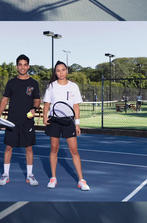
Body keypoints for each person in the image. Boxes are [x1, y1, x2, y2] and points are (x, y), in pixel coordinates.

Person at [42, 61, 90, 191]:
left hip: (69, 121)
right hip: (55, 121)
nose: (61, 72)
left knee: (74, 151)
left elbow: (76, 106)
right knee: (53, 149)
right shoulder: (51, 86)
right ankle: (53, 178)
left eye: (63, 70)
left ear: (67, 71)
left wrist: (77, 124)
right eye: (58, 70)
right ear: (55, 72)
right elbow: (46, 103)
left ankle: (81, 180)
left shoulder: (73, 86)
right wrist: (45, 116)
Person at [0, 54, 41, 186]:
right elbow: (4, 100)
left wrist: (34, 109)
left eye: (25, 64)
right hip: (12, 121)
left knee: (29, 148)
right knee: (9, 147)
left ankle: (30, 175)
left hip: (27, 121)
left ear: (28, 66)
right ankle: (5, 175)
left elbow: (37, 100)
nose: (22, 67)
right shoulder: (11, 83)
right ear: (17, 67)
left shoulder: (34, 83)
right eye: (20, 64)